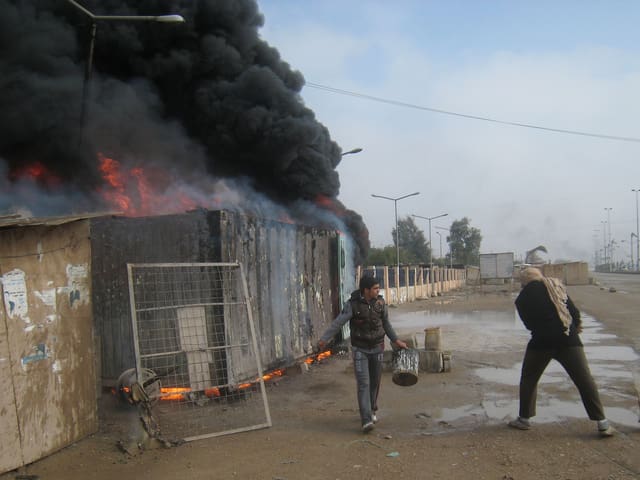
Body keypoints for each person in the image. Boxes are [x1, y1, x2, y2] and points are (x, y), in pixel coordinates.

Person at [509, 267, 614, 437]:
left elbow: (528, 324)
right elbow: (573, 311)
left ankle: (524, 419)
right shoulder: (555, 286)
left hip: (541, 343)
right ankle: (602, 423)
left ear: (524, 281)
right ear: (539, 276)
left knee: (529, 379)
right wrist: (576, 326)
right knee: (585, 380)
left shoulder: (521, 299)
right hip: (569, 340)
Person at [318, 275, 407, 433]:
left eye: (378, 288)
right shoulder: (352, 305)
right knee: (364, 384)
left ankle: (372, 410)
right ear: (366, 290)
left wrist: (396, 340)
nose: (378, 291)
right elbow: (339, 322)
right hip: (360, 350)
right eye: (375, 288)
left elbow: (386, 323)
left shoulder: (381, 303)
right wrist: (324, 339)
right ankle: (366, 420)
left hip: (377, 348)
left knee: (375, 382)